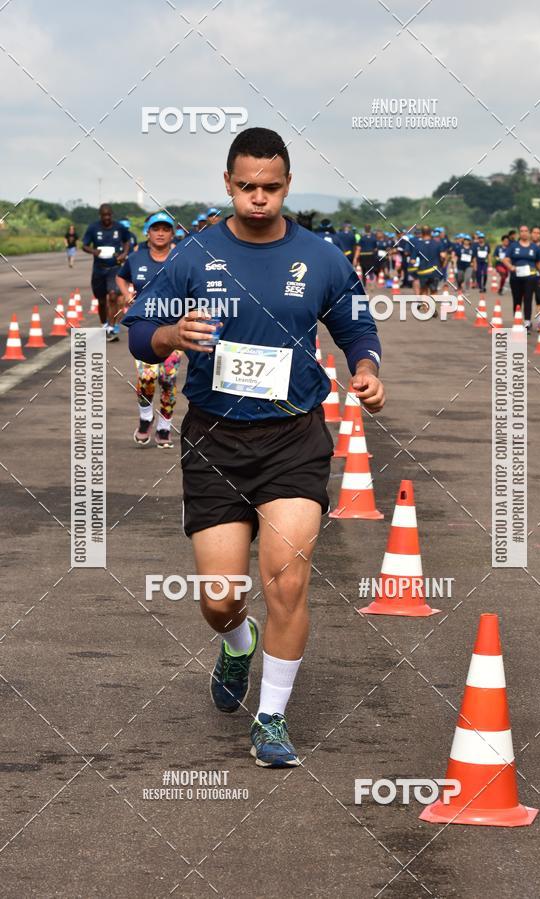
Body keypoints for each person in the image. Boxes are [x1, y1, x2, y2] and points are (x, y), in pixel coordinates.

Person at [122, 127, 384, 768]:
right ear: (228, 184)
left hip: (295, 437)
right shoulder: (193, 255)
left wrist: (368, 367)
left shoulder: (321, 257)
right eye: (247, 187)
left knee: (287, 583)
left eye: (271, 187)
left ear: (287, 185)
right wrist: (169, 336)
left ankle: (270, 718)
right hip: (214, 438)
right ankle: (237, 642)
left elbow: (356, 325)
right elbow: (137, 333)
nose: (259, 198)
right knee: (218, 598)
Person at [116, 212, 182, 448]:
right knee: (147, 378)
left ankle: (164, 427)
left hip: (173, 326)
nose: (161, 233)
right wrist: (127, 296)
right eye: (156, 229)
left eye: (166, 229)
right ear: (148, 232)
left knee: (168, 379)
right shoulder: (136, 258)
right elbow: (121, 277)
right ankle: (146, 418)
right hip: (143, 325)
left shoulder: (181, 257)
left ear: (172, 233)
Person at [82, 204, 130, 341]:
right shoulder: (93, 228)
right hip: (99, 268)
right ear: (100, 215)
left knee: (113, 296)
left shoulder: (119, 227)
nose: (107, 217)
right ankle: (104, 325)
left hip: (114, 267)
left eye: (109, 215)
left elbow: (126, 241)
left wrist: (124, 253)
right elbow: (84, 245)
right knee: (102, 301)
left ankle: (111, 327)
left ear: (112, 215)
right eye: (104, 215)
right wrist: (93, 251)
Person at [503, 224, 540, 330]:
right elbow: (505, 259)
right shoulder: (513, 246)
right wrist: (510, 267)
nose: (524, 233)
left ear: (529, 233)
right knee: (517, 299)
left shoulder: (534, 247)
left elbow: (538, 262)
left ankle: (527, 321)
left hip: (530, 277)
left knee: (528, 298)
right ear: (519, 233)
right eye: (521, 231)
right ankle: (517, 320)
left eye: (526, 231)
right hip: (516, 277)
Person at [410, 225, 446, 306]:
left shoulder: (417, 245)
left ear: (422, 233)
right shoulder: (438, 243)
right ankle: (432, 307)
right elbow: (443, 256)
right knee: (434, 290)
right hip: (434, 271)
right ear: (431, 233)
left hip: (422, 272)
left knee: (424, 290)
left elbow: (413, 260)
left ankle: (426, 307)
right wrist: (442, 263)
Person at [473, 231, 490, 295]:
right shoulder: (475, 246)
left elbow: (489, 254)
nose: (481, 239)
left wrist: (490, 262)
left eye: (482, 238)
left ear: (484, 239)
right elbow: (474, 256)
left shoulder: (487, 245)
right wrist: (475, 264)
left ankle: (484, 285)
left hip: (485, 262)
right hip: (478, 262)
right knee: (479, 274)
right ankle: (480, 287)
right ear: (478, 239)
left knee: (485, 274)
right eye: (479, 238)